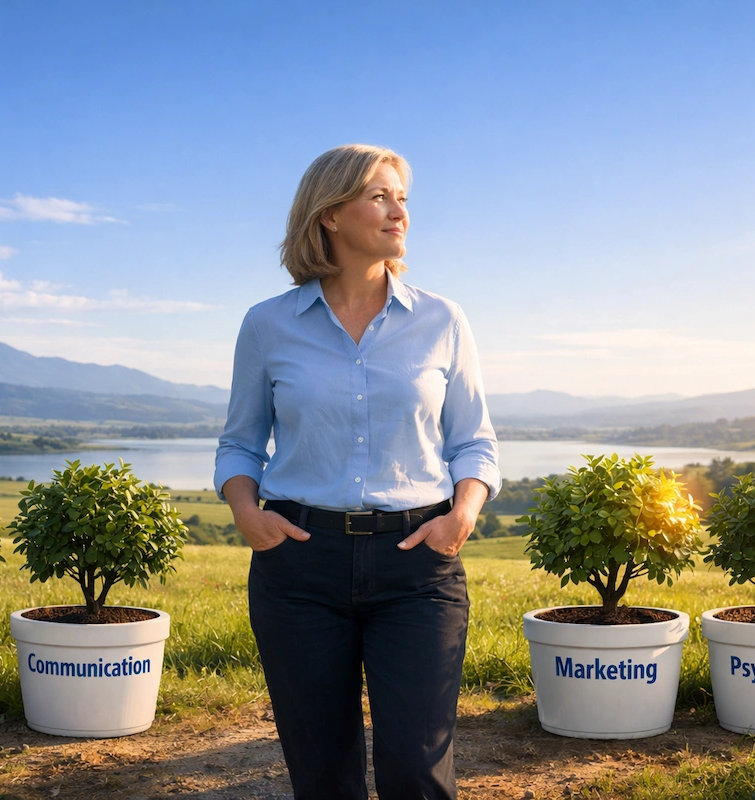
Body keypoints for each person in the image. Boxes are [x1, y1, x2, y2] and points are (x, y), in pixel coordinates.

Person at [214, 143, 500, 800]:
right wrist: (246, 513)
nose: (398, 211)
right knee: (323, 776)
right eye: (379, 195)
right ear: (330, 214)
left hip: (418, 565)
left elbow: (474, 443)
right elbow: (239, 444)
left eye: (402, 197)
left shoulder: (443, 320)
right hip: (299, 569)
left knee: (417, 770)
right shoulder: (267, 325)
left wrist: (462, 517)